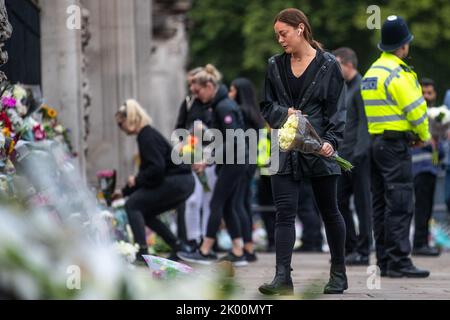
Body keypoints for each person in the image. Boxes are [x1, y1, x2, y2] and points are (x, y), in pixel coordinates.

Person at [258, 8, 348, 295]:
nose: (280, 40)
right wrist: (285, 113)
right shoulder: (274, 65)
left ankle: (339, 274)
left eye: (283, 34)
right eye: (277, 36)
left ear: (300, 29)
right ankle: (282, 277)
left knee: (329, 211)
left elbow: (337, 109)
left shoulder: (329, 65)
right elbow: (266, 106)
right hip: (284, 148)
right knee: (284, 213)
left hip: (320, 147)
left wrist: (331, 142)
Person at [361, 15, 430, 278]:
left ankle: (385, 261)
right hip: (396, 146)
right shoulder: (399, 73)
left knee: (380, 205)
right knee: (400, 203)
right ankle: (400, 261)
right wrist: (422, 134)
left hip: (376, 143)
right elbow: (415, 110)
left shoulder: (371, 73)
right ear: (403, 46)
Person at [177, 64, 249, 267]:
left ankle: (205, 250)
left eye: (198, 91)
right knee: (227, 206)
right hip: (234, 160)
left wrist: (207, 159)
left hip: (234, 161)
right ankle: (238, 251)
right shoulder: (219, 104)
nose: (197, 96)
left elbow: (233, 138)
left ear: (209, 86)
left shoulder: (223, 106)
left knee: (216, 203)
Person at [113, 99, 195, 262]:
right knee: (146, 211)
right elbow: (150, 171)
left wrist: (136, 179)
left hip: (178, 181)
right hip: (183, 182)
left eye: (120, 124)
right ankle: (177, 246)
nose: (120, 129)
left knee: (133, 205)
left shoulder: (146, 136)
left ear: (130, 119)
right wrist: (123, 191)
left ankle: (142, 251)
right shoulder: (147, 134)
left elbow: (156, 169)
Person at [333, 47, 373, 265]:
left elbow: (364, 125)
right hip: (344, 156)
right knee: (338, 202)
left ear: (348, 64)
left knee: (362, 205)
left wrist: (359, 154)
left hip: (357, 158)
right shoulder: (346, 88)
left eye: (337, 64)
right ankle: (350, 246)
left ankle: (364, 250)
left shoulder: (361, 87)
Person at [175, 67, 216, 250]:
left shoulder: (214, 103)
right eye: (190, 84)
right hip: (192, 157)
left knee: (209, 201)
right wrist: (184, 144)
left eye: (194, 84)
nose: (192, 88)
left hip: (211, 158)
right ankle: (193, 238)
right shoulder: (189, 103)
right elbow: (178, 128)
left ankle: (207, 242)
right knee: (192, 200)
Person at [228, 77, 266, 262]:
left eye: (232, 90)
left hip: (241, 161)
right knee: (244, 204)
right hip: (251, 162)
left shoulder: (240, 112)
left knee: (237, 204)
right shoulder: (254, 113)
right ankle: (249, 247)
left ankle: (244, 248)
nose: (230, 94)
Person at [411, 78, 442, 257]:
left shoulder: (438, 114)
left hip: (431, 166)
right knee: (421, 206)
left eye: (429, 93)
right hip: (419, 165)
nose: (426, 96)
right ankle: (419, 243)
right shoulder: (417, 113)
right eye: (423, 92)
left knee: (427, 206)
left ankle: (422, 241)